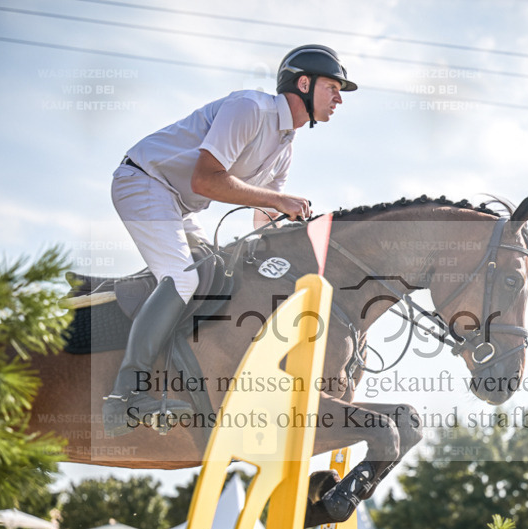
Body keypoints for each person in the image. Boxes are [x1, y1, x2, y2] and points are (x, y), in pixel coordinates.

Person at [102, 45, 356, 437]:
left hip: (177, 205)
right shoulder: (250, 109)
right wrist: (278, 200)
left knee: (217, 272)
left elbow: (262, 221)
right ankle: (125, 396)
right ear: (303, 83)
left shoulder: (285, 147)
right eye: (332, 87)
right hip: (143, 181)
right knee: (184, 280)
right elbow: (205, 179)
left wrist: (292, 246)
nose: (339, 98)